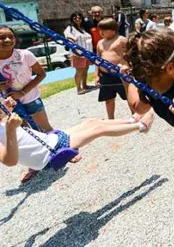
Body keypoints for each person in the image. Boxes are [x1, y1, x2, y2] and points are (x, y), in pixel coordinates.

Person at [0, 97, 155, 171]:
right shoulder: (6, 129)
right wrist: (10, 129)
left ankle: (131, 120)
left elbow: (9, 126)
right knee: (98, 130)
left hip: (49, 140)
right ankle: (141, 126)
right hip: (48, 153)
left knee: (92, 122)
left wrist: (6, 109)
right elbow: (9, 161)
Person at [0, 25, 55, 183]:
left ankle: (63, 149)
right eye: (2, 37)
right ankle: (35, 164)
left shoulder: (24, 55)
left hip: (30, 97)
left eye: (10, 36)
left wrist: (22, 92)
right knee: (25, 133)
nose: (7, 40)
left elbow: (41, 73)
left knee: (45, 127)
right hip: (10, 104)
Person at [95, 18, 131, 119]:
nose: (101, 32)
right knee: (108, 99)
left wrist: (128, 66)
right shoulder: (100, 43)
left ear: (113, 30)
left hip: (121, 74)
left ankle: (135, 115)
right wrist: (96, 75)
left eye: (104, 30)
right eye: (100, 30)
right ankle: (111, 118)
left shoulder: (121, 40)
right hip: (105, 75)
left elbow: (131, 54)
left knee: (129, 96)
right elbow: (97, 60)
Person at [64, 12, 93, 95]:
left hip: (87, 53)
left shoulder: (83, 29)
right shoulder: (70, 28)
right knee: (79, 70)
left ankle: (85, 85)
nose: (77, 19)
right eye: (75, 18)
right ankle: (78, 88)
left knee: (85, 69)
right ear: (72, 19)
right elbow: (68, 36)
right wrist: (72, 42)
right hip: (78, 53)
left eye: (79, 18)